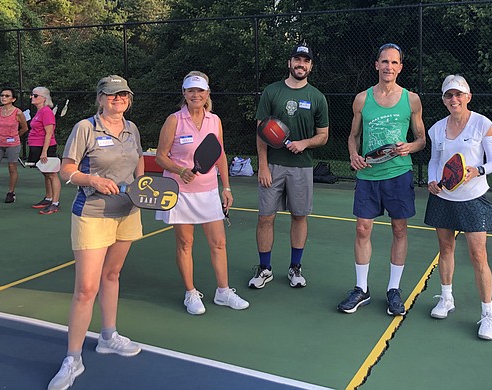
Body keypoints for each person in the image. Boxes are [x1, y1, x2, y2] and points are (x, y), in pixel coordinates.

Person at [47, 75, 144, 390]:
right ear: (100, 98)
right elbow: (66, 170)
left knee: (112, 276)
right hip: (92, 214)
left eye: (123, 95)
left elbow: (139, 161)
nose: (119, 100)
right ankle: (72, 358)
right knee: (86, 288)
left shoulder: (132, 129)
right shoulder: (85, 128)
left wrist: (142, 188)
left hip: (127, 213)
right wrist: (93, 181)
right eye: (113, 95)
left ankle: (108, 336)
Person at [338, 43, 426, 316]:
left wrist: (409, 147)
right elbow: (353, 136)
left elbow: (422, 140)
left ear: (400, 67)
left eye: (394, 63)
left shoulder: (411, 99)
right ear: (376, 64)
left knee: (399, 230)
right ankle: (361, 289)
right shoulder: (362, 99)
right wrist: (353, 155)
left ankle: (393, 290)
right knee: (363, 229)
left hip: (399, 174)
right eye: (384, 62)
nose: (389, 67)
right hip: (368, 175)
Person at [155, 71, 249, 315]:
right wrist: (179, 169)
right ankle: (190, 293)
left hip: (208, 190)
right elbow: (160, 156)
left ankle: (223, 291)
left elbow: (219, 154)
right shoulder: (174, 120)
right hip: (180, 191)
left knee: (219, 242)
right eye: (190, 91)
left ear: (207, 93)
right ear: (184, 94)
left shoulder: (215, 120)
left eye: (200, 91)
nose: (195, 95)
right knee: (185, 243)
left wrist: (226, 187)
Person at [424, 74, 492, 340]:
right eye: (448, 95)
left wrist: (476, 171)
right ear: (444, 100)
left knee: (479, 257)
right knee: (445, 249)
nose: (454, 99)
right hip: (444, 198)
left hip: (474, 198)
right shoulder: (436, 129)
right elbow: (434, 160)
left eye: (458, 94)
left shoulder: (482, 124)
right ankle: (446, 299)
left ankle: (488, 315)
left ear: (468, 97)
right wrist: (432, 179)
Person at [248, 44, 329, 289]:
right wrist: (262, 165)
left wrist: (304, 143)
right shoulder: (271, 92)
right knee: (265, 218)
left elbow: (323, 135)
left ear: (311, 66)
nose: (300, 64)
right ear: (289, 63)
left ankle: (295, 268)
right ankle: (265, 269)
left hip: (302, 168)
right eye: (297, 59)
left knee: (299, 216)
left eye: (306, 61)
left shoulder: (317, 97)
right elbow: (262, 132)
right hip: (272, 166)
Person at [0, 88, 29, 205]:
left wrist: (14, 137)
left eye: (7, 96)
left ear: (13, 99)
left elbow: (24, 128)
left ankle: (11, 193)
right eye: (2, 95)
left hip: (12, 145)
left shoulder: (18, 113)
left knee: (12, 168)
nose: (3, 97)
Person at [27, 86, 61, 214]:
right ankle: (48, 198)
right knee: (45, 173)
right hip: (36, 146)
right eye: (32, 95)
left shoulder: (46, 112)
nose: (32, 97)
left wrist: (44, 151)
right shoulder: (39, 112)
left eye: (35, 95)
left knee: (52, 174)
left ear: (44, 99)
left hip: (46, 147)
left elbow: (49, 133)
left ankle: (55, 203)